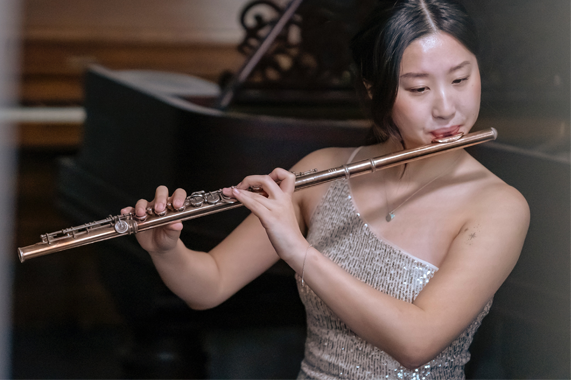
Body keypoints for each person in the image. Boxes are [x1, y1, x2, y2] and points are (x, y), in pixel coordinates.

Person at [120, 0, 530, 378]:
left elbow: (416, 343)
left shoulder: (498, 207)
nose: (446, 107)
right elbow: (210, 285)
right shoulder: (322, 170)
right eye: (419, 88)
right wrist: (167, 251)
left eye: (460, 79)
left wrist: (297, 250)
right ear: (374, 88)